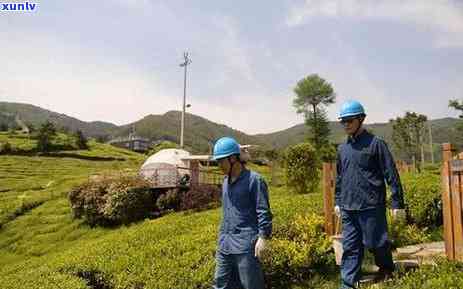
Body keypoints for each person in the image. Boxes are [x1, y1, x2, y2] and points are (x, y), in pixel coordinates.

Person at [334, 100, 406, 289]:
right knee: (350, 246)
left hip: (371, 205)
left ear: (361, 119)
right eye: (343, 121)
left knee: (377, 242)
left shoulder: (376, 144)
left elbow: (391, 173)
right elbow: (340, 177)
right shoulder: (342, 149)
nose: (346, 125)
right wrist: (337, 201)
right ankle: (348, 282)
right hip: (349, 207)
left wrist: (397, 203)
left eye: (349, 120)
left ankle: (386, 269)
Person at [211, 136, 272, 289]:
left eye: (221, 161)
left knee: (250, 285)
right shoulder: (225, 182)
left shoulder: (254, 180)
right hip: (225, 244)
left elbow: (263, 211)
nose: (218, 165)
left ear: (233, 158)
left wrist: (264, 237)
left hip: (245, 245)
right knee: (221, 284)